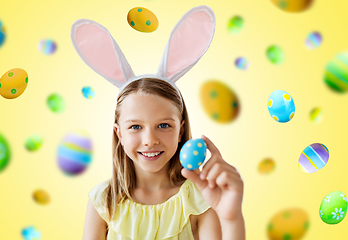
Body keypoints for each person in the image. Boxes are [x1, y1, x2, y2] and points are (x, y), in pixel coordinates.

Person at [71, 5, 245, 240]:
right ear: (119, 133)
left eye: (163, 125)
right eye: (135, 127)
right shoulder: (104, 201)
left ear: (181, 129)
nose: (150, 140)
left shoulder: (201, 198)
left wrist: (232, 218)